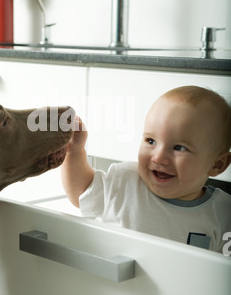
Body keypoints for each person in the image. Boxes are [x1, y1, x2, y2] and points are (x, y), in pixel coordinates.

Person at [61, 85, 231, 254]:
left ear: (217, 164)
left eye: (179, 148)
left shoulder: (223, 214)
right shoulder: (124, 181)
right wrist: (75, 152)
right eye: (151, 141)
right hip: (113, 279)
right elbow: (81, 192)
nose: (158, 157)